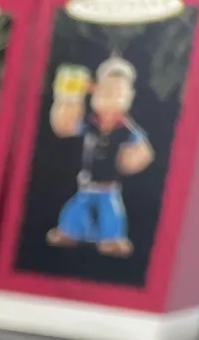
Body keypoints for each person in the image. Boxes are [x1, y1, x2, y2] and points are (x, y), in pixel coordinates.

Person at [47, 56, 154, 257]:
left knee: (111, 213)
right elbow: (65, 127)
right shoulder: (90, 124)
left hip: (109, 185)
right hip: (87, 183)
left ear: (129, 95)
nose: (110, 96)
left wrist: (132, 159)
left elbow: (144, 151)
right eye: (105, 90)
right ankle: (70, 232)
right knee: (75, 208)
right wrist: (68, 100)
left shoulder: (126, 128)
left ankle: (111, 239)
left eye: (117, 91)